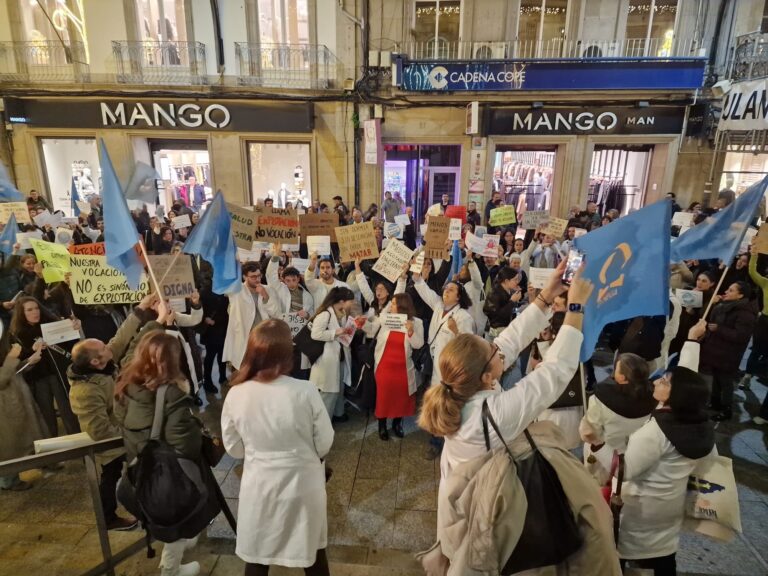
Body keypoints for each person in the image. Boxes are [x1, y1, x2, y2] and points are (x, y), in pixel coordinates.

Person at [221, 320, 334, 576]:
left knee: (259, 553)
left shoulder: (236, 393)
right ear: (286, 353)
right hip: (303, 484)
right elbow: (324, 442)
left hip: (260, 484)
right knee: (312, 551)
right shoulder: (305, 391)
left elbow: (234, 448)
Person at [115, 331, 218, 576]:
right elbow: (185, 445)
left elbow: (123, 423)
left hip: (140, 466)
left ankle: (178, 547)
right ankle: (170, 570)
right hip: (169, 472)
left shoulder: (125, 385)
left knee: (158, 509)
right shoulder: (171, 393)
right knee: (176, 510)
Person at [618, 322, 716, 575]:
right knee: (663, 556)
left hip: (640, 510)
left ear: (674, 395)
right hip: (671, 507)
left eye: (665, 381)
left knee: (620, 555)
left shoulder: (655, 432)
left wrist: (595, 446)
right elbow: (687, 377)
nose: (659, 380)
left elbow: (624, 472)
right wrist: (693, 340)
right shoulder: (697, 422)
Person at [67, 293, 160, 531]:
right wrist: (129, 436)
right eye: (103, 349)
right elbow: (99, 430)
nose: (109, 347)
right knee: (110, 478)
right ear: (96, 363)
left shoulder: (104, 361)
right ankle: (108, 517)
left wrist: (142, 308)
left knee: (135, 473)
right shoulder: (84, 392)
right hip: (113, 442)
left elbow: (121, 337)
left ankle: (147, 508)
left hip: (125, 428)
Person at [579, 352, 655, 484]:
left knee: (599, 488)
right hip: (634, 456)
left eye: (617, 370)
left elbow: (591, 430)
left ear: (624, 378)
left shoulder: (601, 397)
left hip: (604, 455)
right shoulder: (654, 397)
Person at [9, 296, 80, 437]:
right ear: (21, 313)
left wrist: (75, 329)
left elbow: (72, 346)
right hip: (37, 379)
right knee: (46, 415)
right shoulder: (16, 334)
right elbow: (17, 361)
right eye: (29, 310)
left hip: (58, 374)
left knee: (68, 411)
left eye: (36, 308)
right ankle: (52, 453)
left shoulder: (53, 325)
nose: (35, 312)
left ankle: (79, 446)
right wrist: (31, 351)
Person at [365, 292, 424, 440]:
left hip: (403, 367)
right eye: (391, 303)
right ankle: (382, 424)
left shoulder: (416, 322)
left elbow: (419, 344)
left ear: (402, 306)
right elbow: (371, 330)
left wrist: (411, 331)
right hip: (384, 365)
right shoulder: (386, 318)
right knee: (384, 397)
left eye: (393, 304)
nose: (391, 306)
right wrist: (363, 324)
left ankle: (397, 423)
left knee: (401, 397)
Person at [700, 281, 756, 421]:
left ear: (740, 295)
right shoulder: (724, 306)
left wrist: (719, 329)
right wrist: (713, 305)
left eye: (731, 290)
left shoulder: (745, 314)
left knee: (725, 382)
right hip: (717, 351)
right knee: (716, 380)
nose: (726, 291)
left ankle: (726, 409)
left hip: (728, 354)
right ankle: (715, 402)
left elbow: (740, 336)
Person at [0, 325, 47, 491]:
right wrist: (12, 358)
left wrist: (28, 361)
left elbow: (14, 371)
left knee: (14, 441)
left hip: (14, 401)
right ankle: (8, 480)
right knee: (6, 444)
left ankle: (11, 477)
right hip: (4, 407)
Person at [411, 270, 474, 391]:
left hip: (449, 364)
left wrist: (456, 331)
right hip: (434, 356)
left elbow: (468, 345)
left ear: (458, 297)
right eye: (446, 288)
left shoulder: (463, 317)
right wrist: (417, 276)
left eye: (451, 290)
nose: (446, 291)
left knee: (443, 392)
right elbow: (425, 291)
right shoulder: (438, 305)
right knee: (434, 388)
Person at [222, 262, 281, 372]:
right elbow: (223, 280)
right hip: (244, 339)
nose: (257, 279)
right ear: (244, 276)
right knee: (243, 373)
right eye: (253, 277)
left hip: (263, 339)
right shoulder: (236, 290)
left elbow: (276, 313)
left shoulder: (268, 289)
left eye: (259, 276)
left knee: (262, 373)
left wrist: (265, 296)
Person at [309, 287, 356, 421]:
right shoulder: (325, 314)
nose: (351, 304)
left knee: (338, 387)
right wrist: (336, 332)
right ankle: (323, 423)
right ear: (341, 301)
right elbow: (316, 334)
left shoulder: (338, 312)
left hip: (338, 356)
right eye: (350, 301)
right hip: (326, 359)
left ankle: (338, 414)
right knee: (328, 392)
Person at [743, 243, 768, 392]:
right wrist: (754, 255)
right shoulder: (766, 283)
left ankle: (757, 371)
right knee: (756, 349)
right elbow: (753, 272)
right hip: (764, 320)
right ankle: (747, 375)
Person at [483, 267, 523, 338]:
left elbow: (512, 310)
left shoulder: (508, 290)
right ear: (507, 281)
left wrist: (515, 299)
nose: (517, 282)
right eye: (515, 279)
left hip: (506, 328)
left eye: (518, 279)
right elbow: (496, 316)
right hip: (496, 331)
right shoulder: (495, 293)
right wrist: (512, 301)